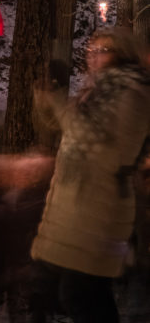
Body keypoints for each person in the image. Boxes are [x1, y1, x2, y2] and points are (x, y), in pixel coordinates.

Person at [30, 28, 150, 323]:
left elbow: (103, 147)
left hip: (97, 211)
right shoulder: (97, 92)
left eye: (103, 51)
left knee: (82, 295)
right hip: (71, 210)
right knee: (46, 290)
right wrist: (47, 99)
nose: (94, 58)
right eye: (90, 51)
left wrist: (59, 104)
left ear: (122, 54)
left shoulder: (133, 94)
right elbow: (69, 129)